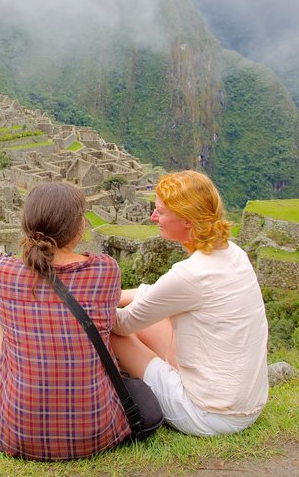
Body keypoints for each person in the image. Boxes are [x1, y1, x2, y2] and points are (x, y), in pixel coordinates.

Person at [0, 182, 131, 460]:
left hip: (16, 433)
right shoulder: (106, 270)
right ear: (79, 228)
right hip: (97, 431)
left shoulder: (1, 272)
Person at [110, 170, 268, 437]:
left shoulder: (190, 274)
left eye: (161, 211)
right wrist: (114, 294)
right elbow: (158, 296)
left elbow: (122, 324)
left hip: (209, 416)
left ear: (187, 220)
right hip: (248, 404)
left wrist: (85, 301)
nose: (153, 217)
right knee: (157, 316)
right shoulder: (234, 253)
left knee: (109, 331)